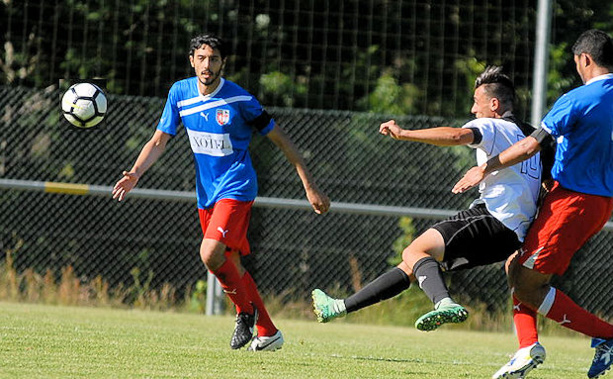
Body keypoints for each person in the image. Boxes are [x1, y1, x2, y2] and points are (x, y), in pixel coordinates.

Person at [112, 34, 330, 352]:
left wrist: (309, 186)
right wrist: (135, 173)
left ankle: (244, 313)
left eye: (214, 59)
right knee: (231, 264)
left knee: (209, 253)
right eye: (201, 58)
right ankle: (268, 331)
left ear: (222, 63)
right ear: (192, 60)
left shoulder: (240, 100)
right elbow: (159, 141)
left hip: (237, 187)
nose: (207, 65)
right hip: (207, 195)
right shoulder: (180, 93)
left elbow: (283, 140)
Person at [312, 66, 544, 333]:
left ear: (494, 104)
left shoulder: (490, 124)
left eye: (476, 102)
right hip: (512, 236)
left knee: (413, 251)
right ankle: (339, 307)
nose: (472, 110)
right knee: (412, 265)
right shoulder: (531, 137)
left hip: (492, 218)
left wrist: (405, 134)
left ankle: (443, 303)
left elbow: (458, 135)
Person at [453, 29, 613, 379]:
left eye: (576, 63)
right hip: (597, 202)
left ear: (584, 59)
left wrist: (485, 167)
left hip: (572, 201)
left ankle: (608, 336)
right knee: (515, 264)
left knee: (527, 284)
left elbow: (531, 145)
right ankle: (527, 347)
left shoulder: (579, 99)